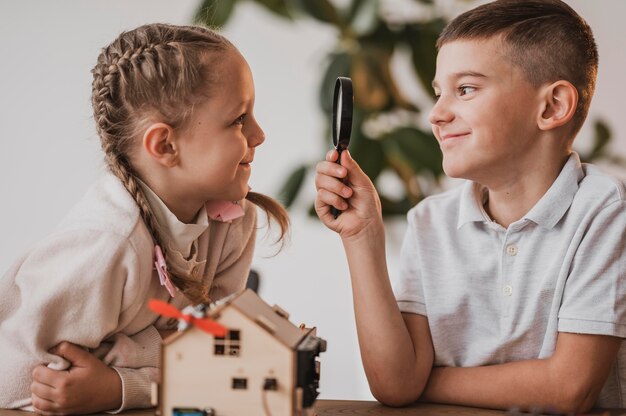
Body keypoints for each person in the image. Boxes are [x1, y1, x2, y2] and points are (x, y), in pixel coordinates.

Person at [315, 0, 625, 413]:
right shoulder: (428, 222)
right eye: (438, 93)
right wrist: (361, 237)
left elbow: (569, 389)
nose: (436, 114)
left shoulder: (605, 210)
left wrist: (425, 384)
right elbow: (393, 383)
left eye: (465, 90)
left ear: (551, 107)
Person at [0, 23, 289, 414]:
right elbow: (16, 381)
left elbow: (220, 364)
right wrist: (165, 347)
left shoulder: (234, 222)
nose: (259, 134)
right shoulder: (105, 244)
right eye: (239, 119)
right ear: (166, 145)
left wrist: (121, 384)